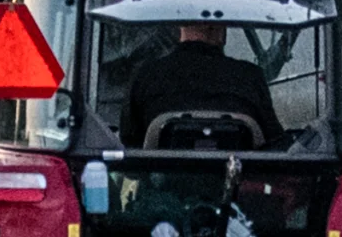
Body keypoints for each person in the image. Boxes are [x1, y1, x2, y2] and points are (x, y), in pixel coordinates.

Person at [115, 21, 285, 148]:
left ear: (180, 26)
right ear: (222, 31)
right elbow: (273, 143)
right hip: (240, 191)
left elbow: (129, 144)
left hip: (160, 192)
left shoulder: (146, 76)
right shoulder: (250, 76)